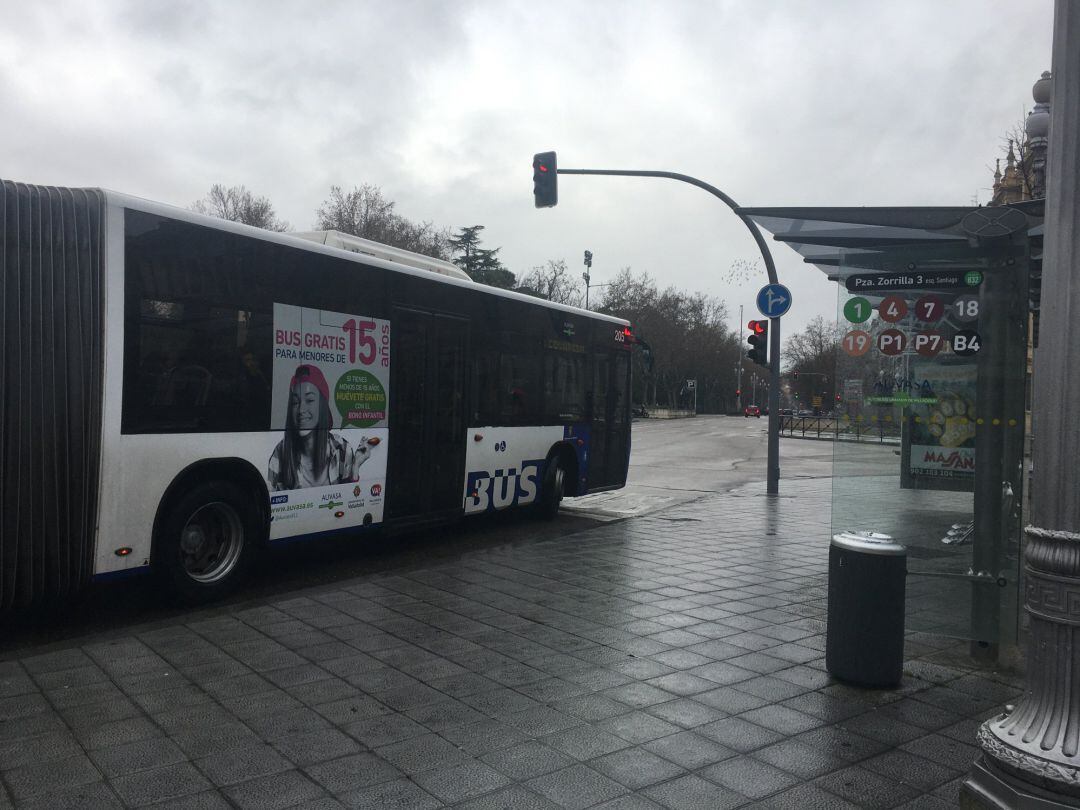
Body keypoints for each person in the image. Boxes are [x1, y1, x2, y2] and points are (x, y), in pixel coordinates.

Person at [267, 364, 372, 490]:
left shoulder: (342, 449)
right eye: (295, 402)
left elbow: (350, 500)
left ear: (322, 405)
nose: (301, 410)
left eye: (310, 400)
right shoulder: (280, 453)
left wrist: (355, 468)